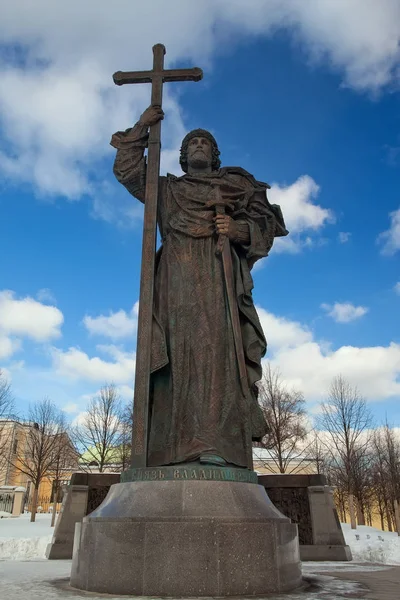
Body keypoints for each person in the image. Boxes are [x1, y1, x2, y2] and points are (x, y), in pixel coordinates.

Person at [110, 105, 288, 470]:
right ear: (183, 155)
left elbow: (265, 224)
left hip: (218, 277)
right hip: (174, 282)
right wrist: (142, 127)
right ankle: (170, 447)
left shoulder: (233, 188)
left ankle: (216, 444)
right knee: (178, 356)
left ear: (215, 154)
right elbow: (128, 172)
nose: (199, 146)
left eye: (205, 142)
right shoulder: (166, 190)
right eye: (193, 143)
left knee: (216, 355)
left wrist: (239, 230)